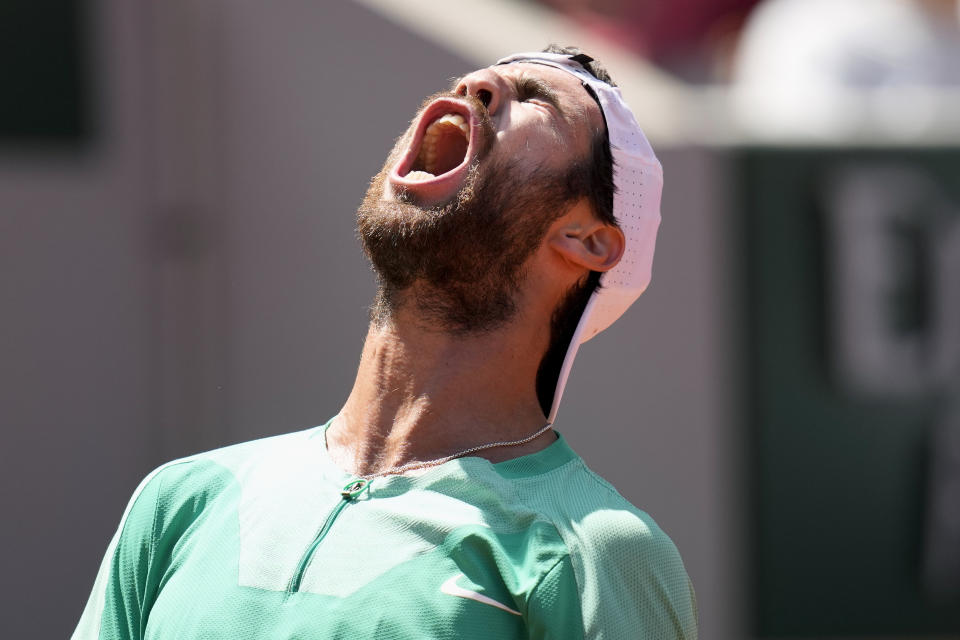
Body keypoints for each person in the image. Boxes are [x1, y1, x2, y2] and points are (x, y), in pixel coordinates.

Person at [72, 45, 698, 639]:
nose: (476, 84)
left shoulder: (594, 552)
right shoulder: (180, 500)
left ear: (589, 240)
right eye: (474, 80)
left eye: (537, 99)